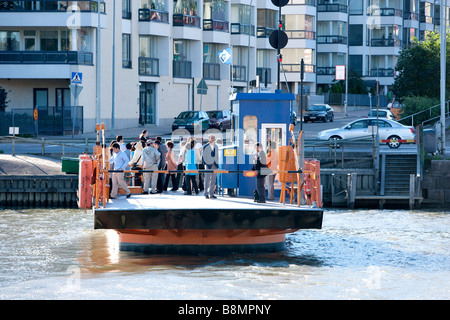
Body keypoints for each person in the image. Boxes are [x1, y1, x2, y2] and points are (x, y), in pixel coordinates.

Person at [203, 134, 219, 199]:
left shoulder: (216, 147)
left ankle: (211, 193)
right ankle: (206, 193)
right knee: (207, 179)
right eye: (212, 138)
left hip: (215, 165)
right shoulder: (205, 146)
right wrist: (206, 163)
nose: (213, 139)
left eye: (214, 138)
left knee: (213, 180)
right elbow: (203, 156)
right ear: (208, 139)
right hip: (208, 165)